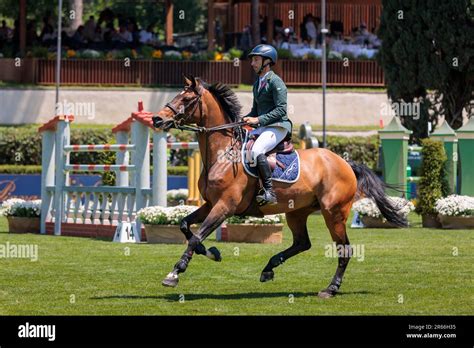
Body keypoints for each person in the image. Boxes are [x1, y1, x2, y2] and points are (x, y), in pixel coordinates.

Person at [243, 44, 293, 206]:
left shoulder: (276, 82)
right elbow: (254, 111)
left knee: (257, 150)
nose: (252, 63)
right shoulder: (257, 83)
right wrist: (241, 120)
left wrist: (257, 120)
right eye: (252, 60)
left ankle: (269, 192)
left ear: (267, 62)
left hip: (279, 126)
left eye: (256, 59)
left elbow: (280, 110)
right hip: (264, 126)